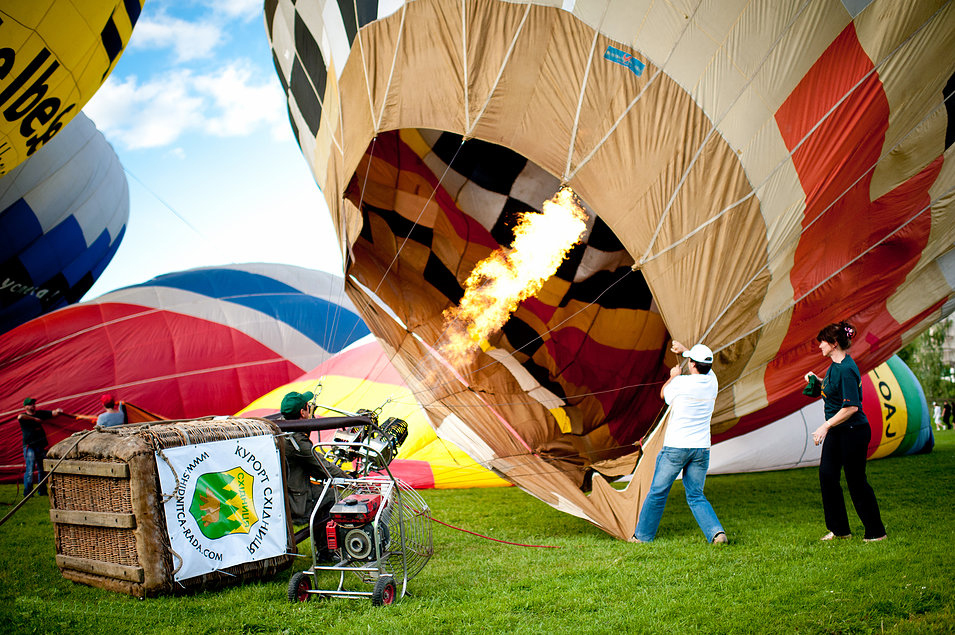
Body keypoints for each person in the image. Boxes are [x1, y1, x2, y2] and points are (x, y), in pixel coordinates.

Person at [631, 341, 727, 544]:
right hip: (701, 449)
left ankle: (642, 537)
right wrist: (686, 352)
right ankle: (717, 533)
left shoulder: (681, 383)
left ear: (692, 365)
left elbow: (663, 395)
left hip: (676, 448)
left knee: (658, 492)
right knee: (695, 495)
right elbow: (701, 365)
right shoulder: (713, 382)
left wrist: (672, 377)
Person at [805, 321, 886, 542]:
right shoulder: (835, 367)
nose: (819, 345)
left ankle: (876, 532)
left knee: (856, 481)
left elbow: (851, 407)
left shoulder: (847, 369)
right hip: (839, 431)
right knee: (827, 476)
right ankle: (840, 530)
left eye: (822, 341)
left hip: (853, 431)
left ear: (833, 344)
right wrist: (818, 381)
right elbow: (834, 390)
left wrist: (825, 426)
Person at [279, 391, 348, 526]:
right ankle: (325, 546)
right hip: (295, 502)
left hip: (285, 494)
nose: (310, 408)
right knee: (331, 496)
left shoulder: (280, 430)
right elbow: (321, 465)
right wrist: (351, 481)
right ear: (302, 413)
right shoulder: (296, 441)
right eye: (307, 406)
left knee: (321, 488)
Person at [17, 397, 61, 496]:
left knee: (42, 469)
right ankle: (28, 492)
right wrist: (34, 419)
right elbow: (20, 417)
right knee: (30, 469)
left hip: (41, 446)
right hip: (29, 447)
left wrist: (58, 411)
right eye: (30, 404)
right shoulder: (24, 416)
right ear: (25, 407)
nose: (33, 405)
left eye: (33, 404)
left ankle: (42, 491)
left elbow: (53, 413)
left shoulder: (41, 413)